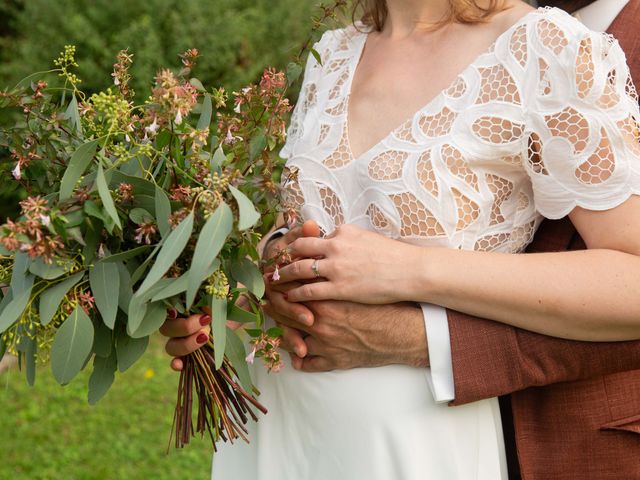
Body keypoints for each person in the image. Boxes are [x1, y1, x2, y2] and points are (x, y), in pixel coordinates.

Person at [161, 0, 640, 478]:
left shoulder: (545, 48)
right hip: (277, 419)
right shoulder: (338, 48)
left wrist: (407, 271)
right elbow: (310, 226)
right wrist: (239, 299)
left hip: (415, 438)